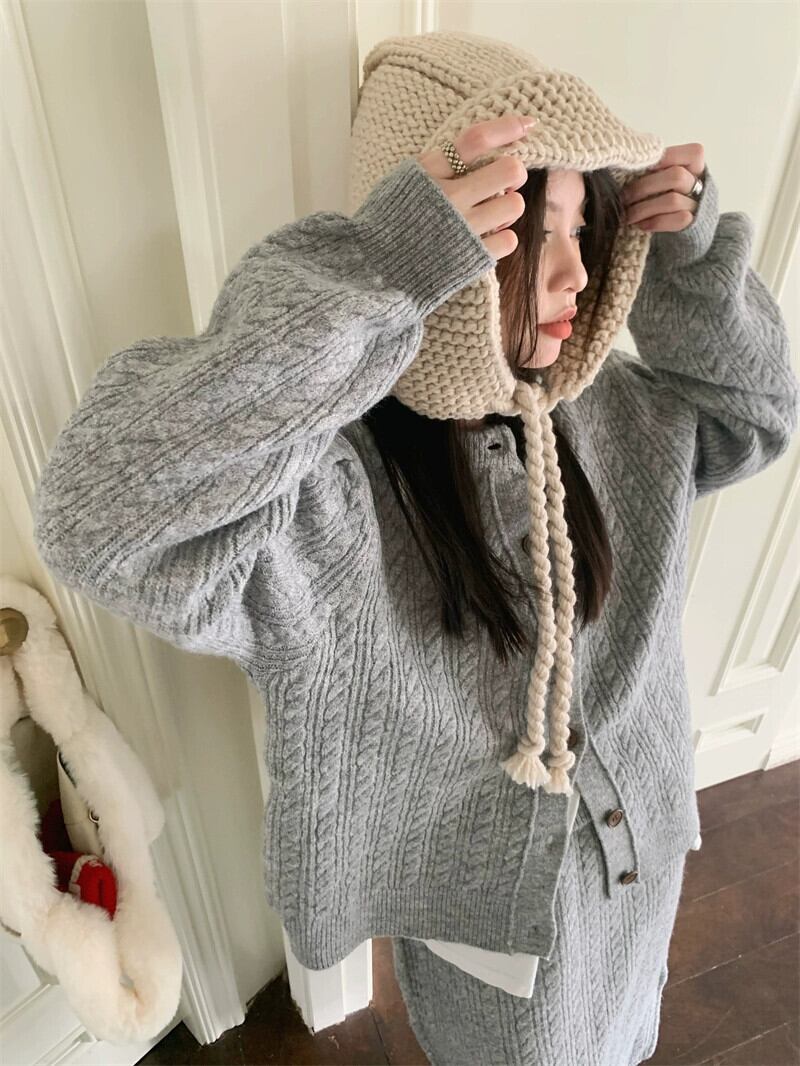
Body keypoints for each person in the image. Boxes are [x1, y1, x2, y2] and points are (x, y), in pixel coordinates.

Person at [32, 29, 799, 1066]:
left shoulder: (614, 412)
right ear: (453, 242)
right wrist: (377, 269)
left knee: (630, 1032)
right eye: (531, 228)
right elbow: (96, 516)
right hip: (493, 945)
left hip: (644, 865)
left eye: (587, 225)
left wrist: (692, 269)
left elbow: (755, 417)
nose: (575, 270)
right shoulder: (329, 500)